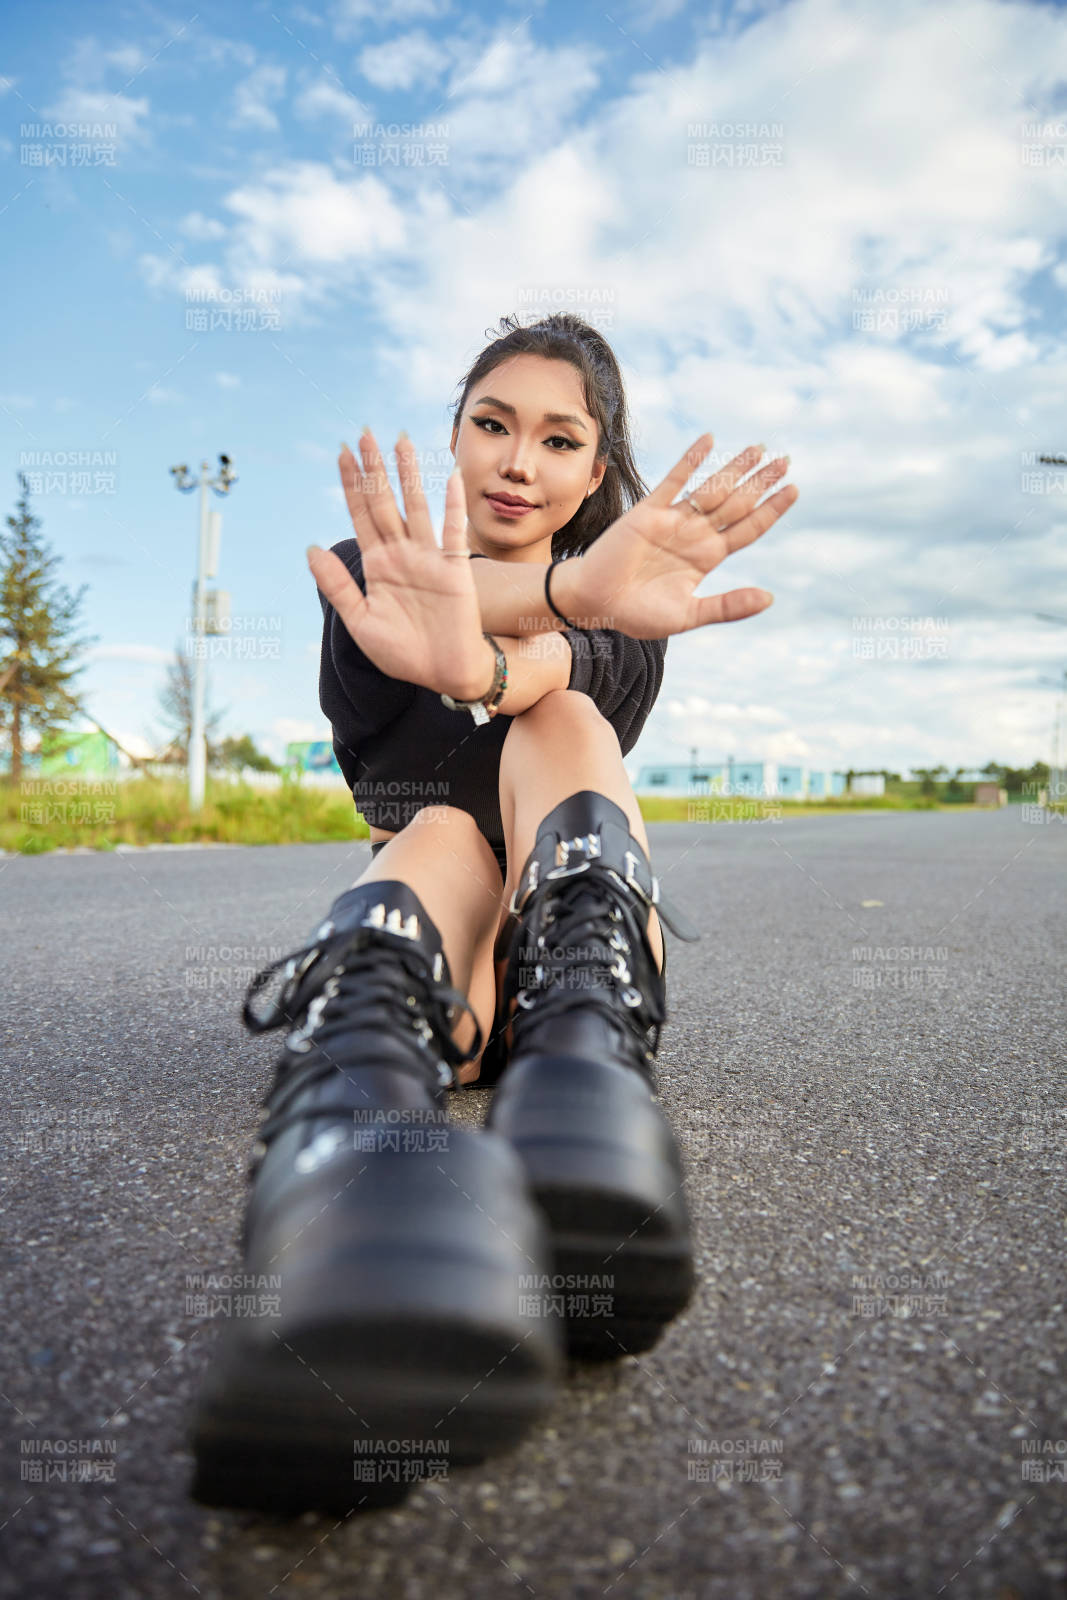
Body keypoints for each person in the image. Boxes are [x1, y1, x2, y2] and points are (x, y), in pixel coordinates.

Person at [188, 312, 798, 1517]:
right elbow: (444, 606)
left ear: (593, 468)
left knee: (557, 723)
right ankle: (385, 1091)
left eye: (558, 439)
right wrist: (549, 598)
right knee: (430, 828)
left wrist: (540, 627)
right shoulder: (379, 572)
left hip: (551, 952)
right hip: (443, 984)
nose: (519, 461)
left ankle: (466, 1074)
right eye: (493, 424)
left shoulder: (632, 606)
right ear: (457, 435)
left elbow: (532, 673)